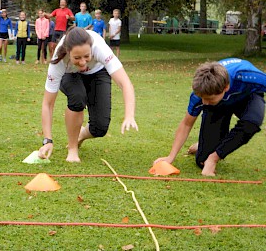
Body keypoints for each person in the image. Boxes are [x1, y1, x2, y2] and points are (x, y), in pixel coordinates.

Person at [38, 27, 138, 162]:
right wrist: (48, 140)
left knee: (99, 128)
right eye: (77, 58)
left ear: (91, 49)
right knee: (77, 97)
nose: (83, 62)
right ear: (68, 52)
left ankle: (80, 135)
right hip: (70, 75)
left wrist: (129, 115)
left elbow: (125, 84)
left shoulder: (100, 48)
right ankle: (72, 149)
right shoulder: (59, 60)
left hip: (97, 73)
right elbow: (47, 104)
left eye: (87, 56)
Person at [154, 58, 266, 176]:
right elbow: (186, 124)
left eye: (209, 99)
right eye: (203, 98)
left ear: (226, 88)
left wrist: (213, 158)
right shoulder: (200, 96)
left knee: (251, 123)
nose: (205, 103)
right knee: (202, 161)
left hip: (247, 97)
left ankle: (214, 155)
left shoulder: (249, 76)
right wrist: (171, 157)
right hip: (219, 106)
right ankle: (202, 146)